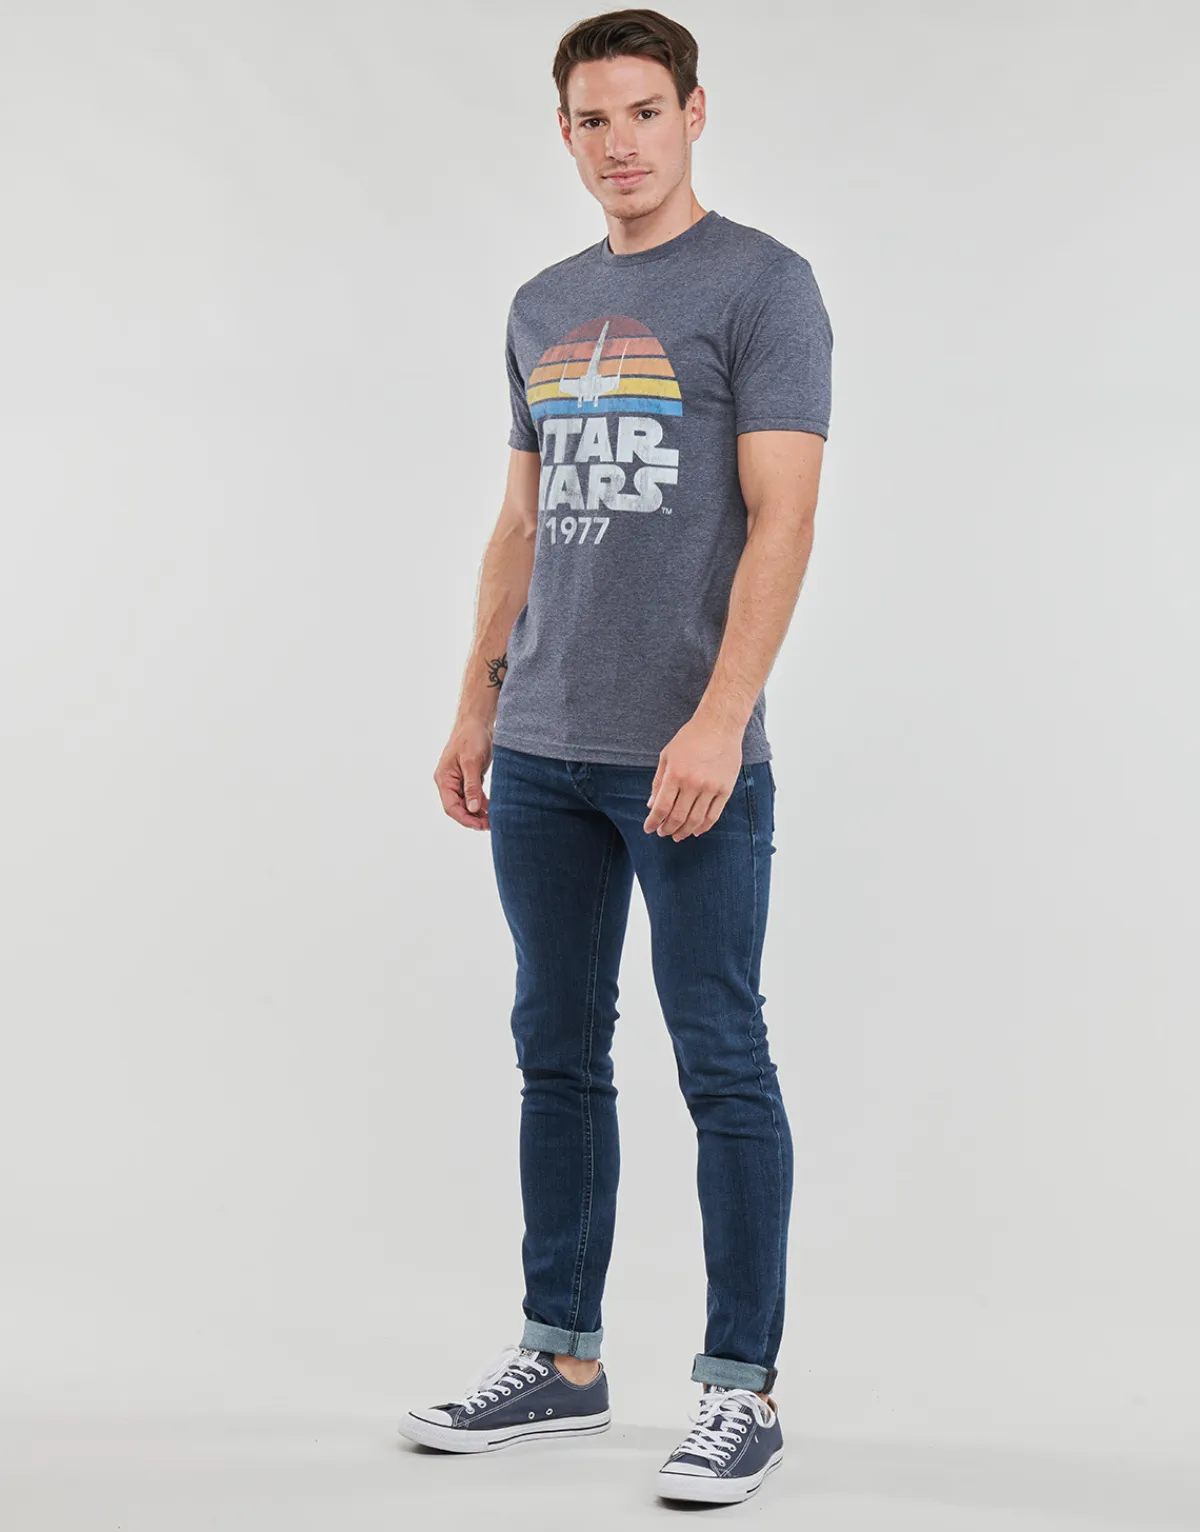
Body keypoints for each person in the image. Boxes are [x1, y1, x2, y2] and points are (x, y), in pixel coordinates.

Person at [400, 7, 832, 1506]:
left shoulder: (763, 286)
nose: (621, 142)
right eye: (594, 119)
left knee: (722, 1057)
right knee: (557, 1051)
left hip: (686, 756)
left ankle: (739, 1389)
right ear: (566, 133)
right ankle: (562, 1363)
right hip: (542, 747)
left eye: (646, 111)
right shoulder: (542, 303)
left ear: (694, 115)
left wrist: (719, 715)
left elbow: (785, 515)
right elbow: (523, 518)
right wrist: (478, 700)